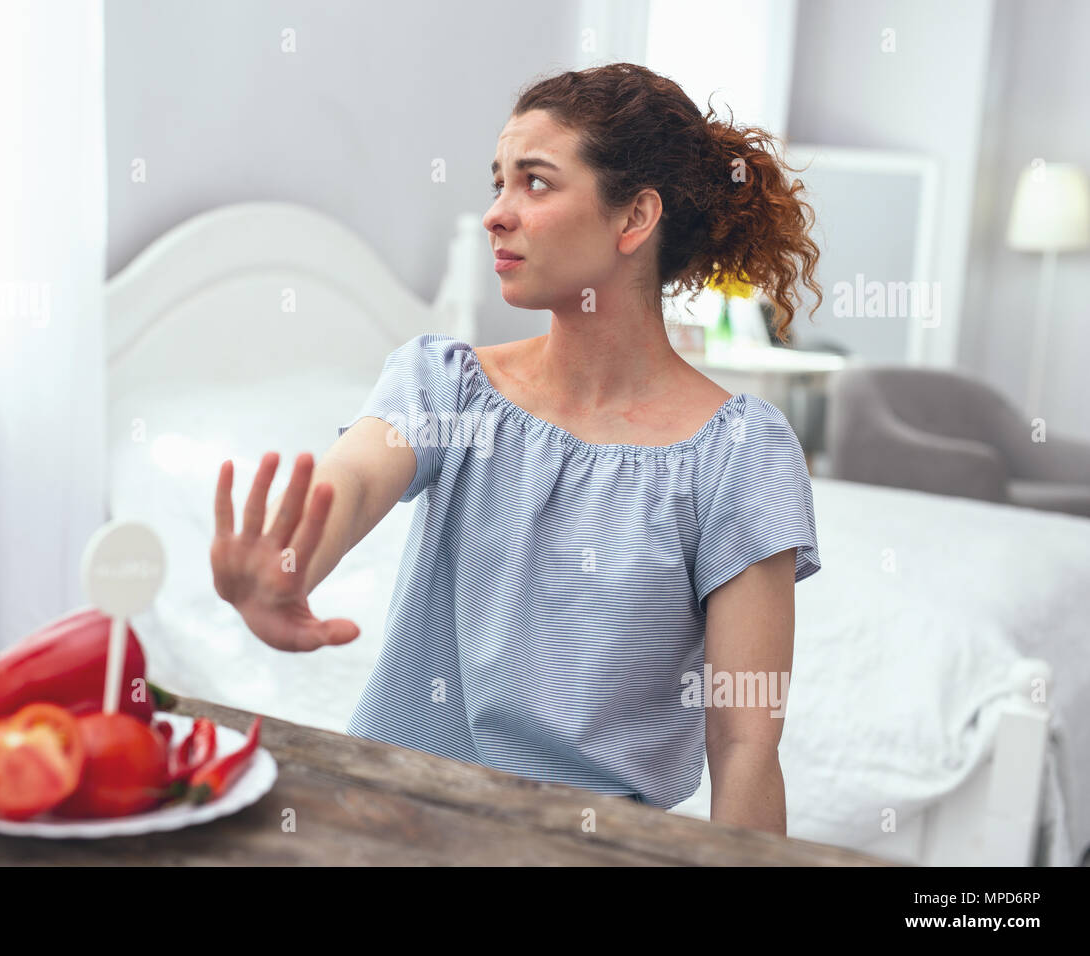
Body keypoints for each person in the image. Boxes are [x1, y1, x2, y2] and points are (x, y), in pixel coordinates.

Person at [209, 63, 823, 836]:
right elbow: (358, 481)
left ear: (634, 218)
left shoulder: (739, 452)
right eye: (498, 182)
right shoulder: (443, 385)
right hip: (392, 821)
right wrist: (288, 568)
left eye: (535, 183)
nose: (498, 213)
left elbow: (743, 746)